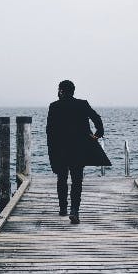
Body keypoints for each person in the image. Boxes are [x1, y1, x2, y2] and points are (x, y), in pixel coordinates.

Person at [46, 80, 110, 223]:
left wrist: (51, 153)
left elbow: (49, 132)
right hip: (79, 149)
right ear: (73, 91)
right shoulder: (82, 104)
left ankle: (63, 208)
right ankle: (74, 210)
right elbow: (97, 119)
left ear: (61, 91)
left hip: (60, 149)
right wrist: (98, 135)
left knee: (61, 179)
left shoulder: (54, 106)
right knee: (77, 181)